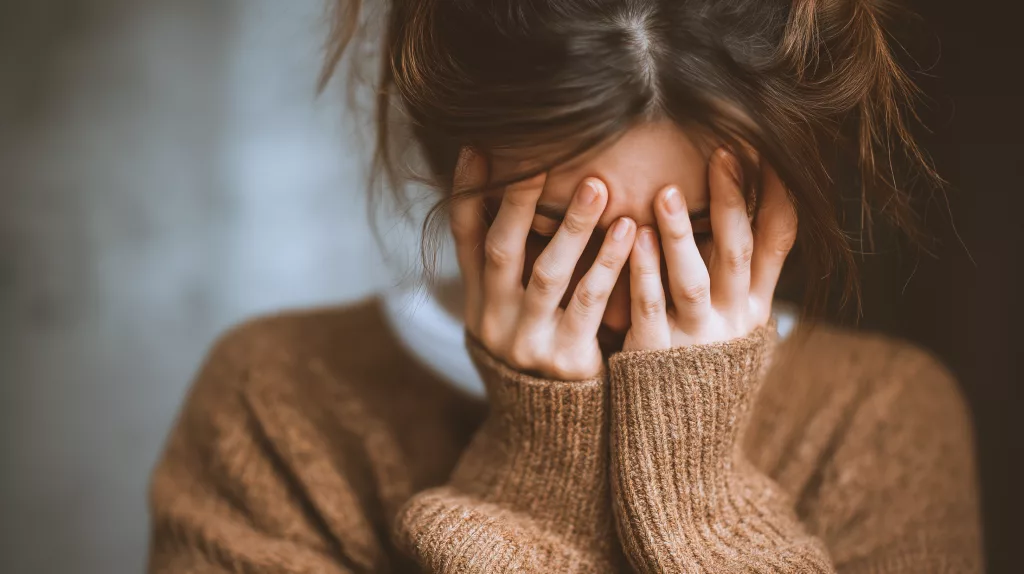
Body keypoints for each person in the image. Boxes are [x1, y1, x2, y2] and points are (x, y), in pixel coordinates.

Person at [147, 0, 983, 572]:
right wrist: (537, 463)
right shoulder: (275, 399)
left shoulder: (879, 415)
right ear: (455, 176)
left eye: (691, 239)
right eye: (559, 238)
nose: (623, 303)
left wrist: (698, 499)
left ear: (779, 207)